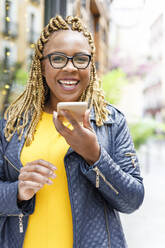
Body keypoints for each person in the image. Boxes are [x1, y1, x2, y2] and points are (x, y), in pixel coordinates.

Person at [0, 15, 144, 248]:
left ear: (91, 66)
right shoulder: (12, 123)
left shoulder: (111, 122)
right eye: (58, 58)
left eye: (80, 59)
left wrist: (94, 156)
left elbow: (132, 200)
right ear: (42, 65)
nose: (70, 68)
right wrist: (18, 191)